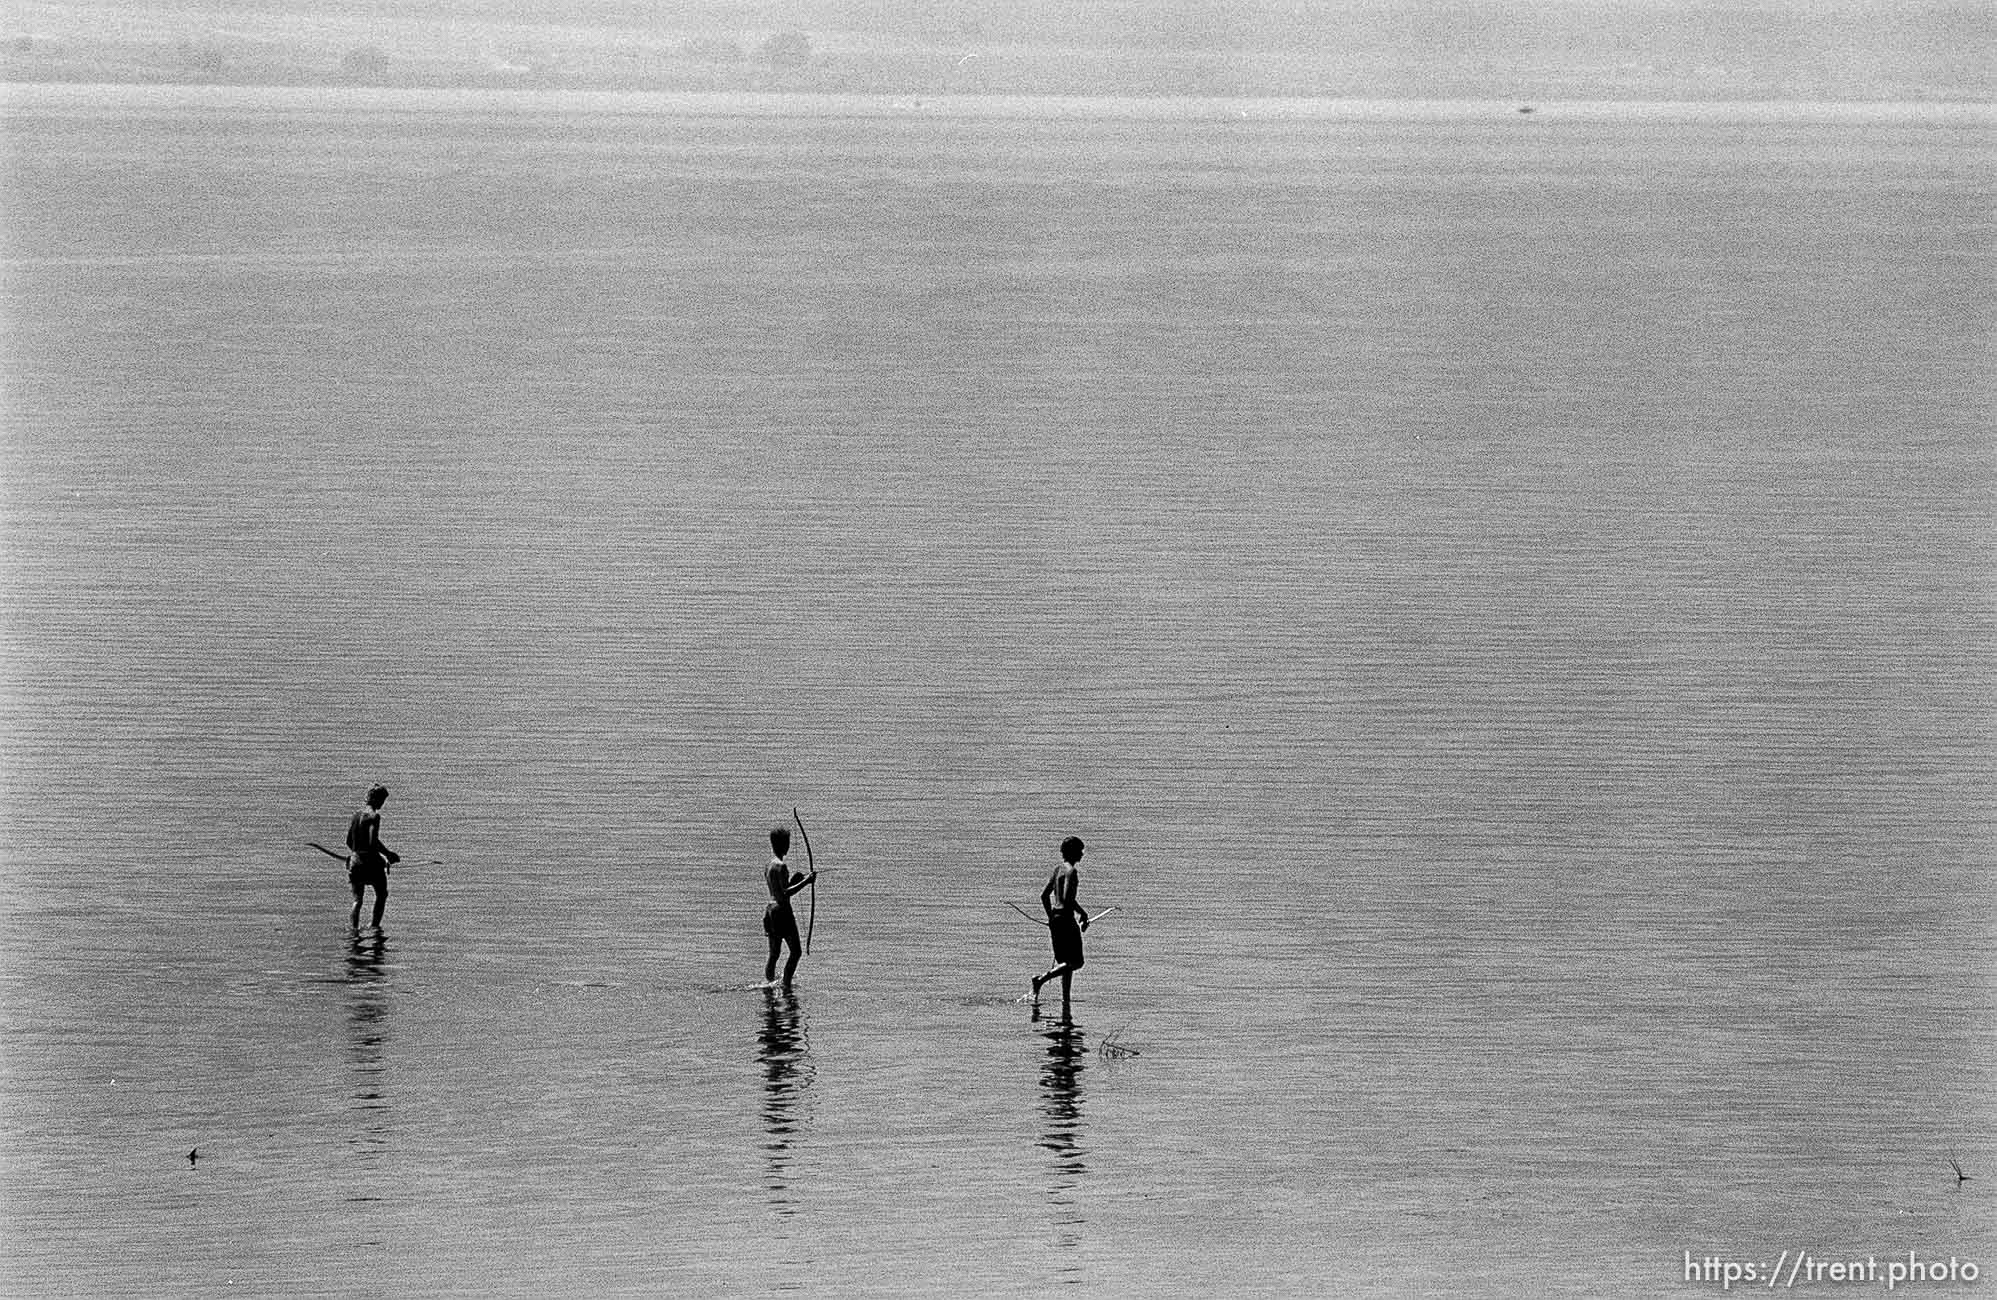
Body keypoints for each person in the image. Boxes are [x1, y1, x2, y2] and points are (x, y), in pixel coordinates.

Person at [1032, 836, 1091, 1006]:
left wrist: (1051, 917)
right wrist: (1083, 914)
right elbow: (1067, 899)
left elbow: (1044, 896)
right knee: (1077, 962)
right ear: (1072, 851)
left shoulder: (1058, 869)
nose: (1082, 853)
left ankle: (1066, 1001)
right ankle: (1041, 979)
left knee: (1065, 964)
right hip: (1066, 920)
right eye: (1080, 850)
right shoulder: (1071, 872)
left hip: (1056, 920)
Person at [763, 827, 817, 989]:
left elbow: (779, 890)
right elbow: (785, 893)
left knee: (774, 953)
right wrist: (807, 881)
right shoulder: (782, 866)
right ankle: (785, 985)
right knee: (796, 952)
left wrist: (795, 881)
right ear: (783, 845)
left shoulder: (769, 865)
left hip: (770, 910)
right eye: (787, 843)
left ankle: (770, 984)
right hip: (782, 912)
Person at [345, 784, 399, 929]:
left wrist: (355, 855)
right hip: (370, 864)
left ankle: (353, 931)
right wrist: (387, 856)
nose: (382, 804)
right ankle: (374, 928)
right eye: (382, 800)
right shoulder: (374, 817)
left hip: (355, 862)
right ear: (375, 799)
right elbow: (372, 842)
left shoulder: (356, 815)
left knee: (357, 901)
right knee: (382, 895)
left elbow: (349, 841)